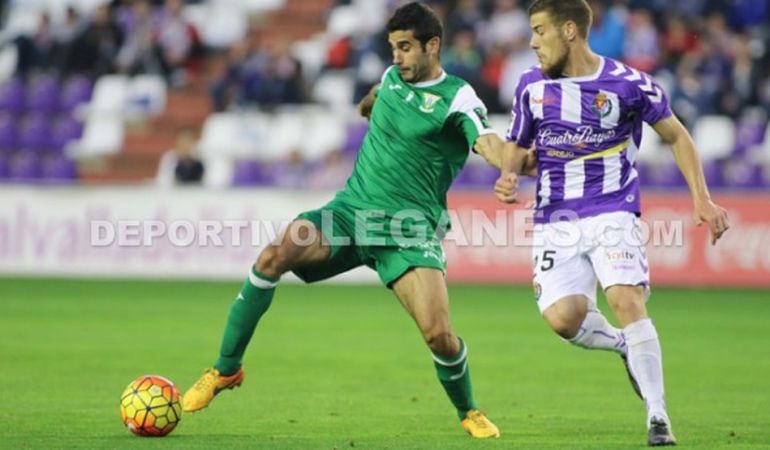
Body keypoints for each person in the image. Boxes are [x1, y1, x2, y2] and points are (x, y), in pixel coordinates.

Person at [182, 2, 506, 439]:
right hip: (349, 213)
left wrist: (506, 162)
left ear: (433, 45)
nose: (397, 57)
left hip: (407, 230)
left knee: (439, 337)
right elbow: (380, 91)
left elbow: (484, 139)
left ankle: (469, 410)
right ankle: (225, 369)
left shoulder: (458, 97)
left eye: (406, 47)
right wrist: (369, 103)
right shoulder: (394, 77)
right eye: (393, 47)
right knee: (273, 256)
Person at [493, 0, 729, 446]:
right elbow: (516, 142)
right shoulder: (531, 86)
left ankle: (658, 418)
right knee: (564, 320)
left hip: (612, 208)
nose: (531, 42)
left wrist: (702, 197)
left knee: (625, 297)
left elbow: (677, 135)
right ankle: (625, 345)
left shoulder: (629, 84)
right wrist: (509, 175)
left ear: (569, 31)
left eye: (539, 31)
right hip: (554, 217)